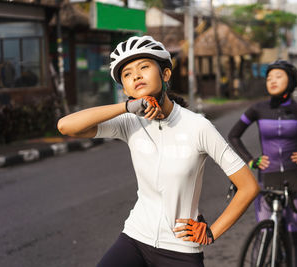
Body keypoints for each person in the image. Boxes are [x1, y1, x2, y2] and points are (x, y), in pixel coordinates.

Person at [57, 35, 259, 267]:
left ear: (165, 74)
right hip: (135, 237)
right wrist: (125, 107)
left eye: (144, 67)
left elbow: (248, 187)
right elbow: (66, 126)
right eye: (127, 74)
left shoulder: (197, 126)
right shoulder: (129, 121)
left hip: (180, 248)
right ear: (125, 88)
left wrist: (212, 232)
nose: (136, 76)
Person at [228, 60, 297, 267]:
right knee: (264, 232)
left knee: (294, 236)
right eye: (269, 78)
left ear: (291, 81)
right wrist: (251, 161)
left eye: (278, 77)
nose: (272, 81)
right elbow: (234, 135)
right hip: (267, 177)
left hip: (295, 180)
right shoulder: (257, 109)